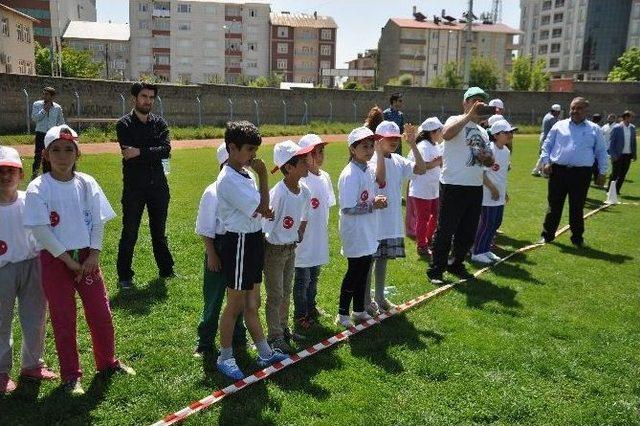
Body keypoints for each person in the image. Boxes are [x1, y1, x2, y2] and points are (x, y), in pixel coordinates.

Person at [24, 125, 134, 396]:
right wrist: (67, 261)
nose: (63, 156)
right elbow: (40, 230)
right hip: (55, 260)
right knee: (64, 318)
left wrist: (94, 255)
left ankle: (107, 362)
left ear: (77, 153)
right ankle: (71, 375)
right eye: (56, 150)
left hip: (87, 258)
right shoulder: (39, 187)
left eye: (69, 149)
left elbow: (97, 221)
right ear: (46, 155)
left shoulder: (87, 183)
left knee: (100, 312)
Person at [215, 121, 288, 380]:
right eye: (249, 150)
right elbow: (262, 208)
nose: (253, 156)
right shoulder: (228, 179)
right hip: (239, 242)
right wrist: (266, 176)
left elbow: (262, 208)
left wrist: (261, 192)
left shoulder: (245, 172)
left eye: (256, 150)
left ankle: (265, 352)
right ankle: (224, 356)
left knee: (252, 303)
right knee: (234, 305)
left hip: (253, 239)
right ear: (231, 148)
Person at [0, 146, 58, 394]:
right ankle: (1, 370)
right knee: (1, 320)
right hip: (3, 268)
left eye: (11, 170)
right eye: (1, 171)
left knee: (35, 316)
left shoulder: (29, 200)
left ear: (21, 174)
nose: (5, 176)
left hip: (33, 264)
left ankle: (32, 364)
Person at [427, 87, 495, 284]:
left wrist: (487, 158)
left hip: (474, 186)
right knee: (446, 230)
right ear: (465, 103)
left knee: (468, 230)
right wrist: (469, 116)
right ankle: (436, 270)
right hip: (453, 185)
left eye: (482, 102)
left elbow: (489, 160)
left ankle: (456, 264)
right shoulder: (454, 120)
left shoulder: (483, 131)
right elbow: (446, 134)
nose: (478, 105)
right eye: (474, 101)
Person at [116, 82, 174, 290]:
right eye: (143, 96)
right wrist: (152, 151)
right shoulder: (124, 125)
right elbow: (127, 154)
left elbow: (166, 150)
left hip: (158, 186)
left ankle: (166, 269)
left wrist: (140, 151)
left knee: (159, 231)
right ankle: (124, 276)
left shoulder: (160, 123)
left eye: (151, 97)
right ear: (134, 98)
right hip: (134, 188)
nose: (147, 101)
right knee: (129, 232)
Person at [365, 121, 426, 316]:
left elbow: (421, 169)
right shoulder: (371, 160)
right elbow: (380, 180)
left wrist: (413, 145)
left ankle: (380, 297)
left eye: (395, 138)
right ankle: (366, 300)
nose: (393, 141)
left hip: (390, 222)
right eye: (388, 138)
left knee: (383, 260)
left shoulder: (399, 160)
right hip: (374, 221)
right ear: (378, 140)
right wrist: (380, 154)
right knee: (370, 261)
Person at [193, 143, 247, 359]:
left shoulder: (245, 185)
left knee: (238, 298)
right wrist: (212, 254)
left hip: (239, 244)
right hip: (219, 246)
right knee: (213, 298)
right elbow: (205, 227)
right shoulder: (212, 191)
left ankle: (238, 335)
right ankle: (205, 341)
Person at [262, 140, 314, 353]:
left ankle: (283, 329)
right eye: (303, 161)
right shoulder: (279, 194)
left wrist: (299, 231)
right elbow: (265, 226)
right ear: (289, 168)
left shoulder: (304, 190)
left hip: (290, 249)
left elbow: (305, 214)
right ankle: (274, 336)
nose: (308, 163)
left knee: (286, 292)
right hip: (273, 250)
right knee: (275, 294)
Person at [538, 97, 608, 247]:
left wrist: (602, 172)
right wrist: (545, 162)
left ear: (586, 110)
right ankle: (547, 235)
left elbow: (601, 152)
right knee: (554, 205)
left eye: (579, 108)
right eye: (573, 108)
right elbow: (547, 145)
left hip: (581, 174)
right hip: (558, 172)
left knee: (577, 207)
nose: (575, 111)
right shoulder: (559, 125)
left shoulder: (594, 129)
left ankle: (577, 238)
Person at [336, 126, 387, 328]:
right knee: (354, 272)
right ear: (352, 149)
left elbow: (368, 198)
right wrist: (372, 205)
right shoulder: (350, 174)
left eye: (371, 146)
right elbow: (348, 207)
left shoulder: (368, 169)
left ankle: (358, 310)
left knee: (364, 270)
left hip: (367, 229)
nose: (369, 150)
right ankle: (342, 313)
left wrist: (377, 200)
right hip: (355, 231)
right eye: (364, 146)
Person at [293, 134, 335, 329]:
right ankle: (300, 315)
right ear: (303, 157)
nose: (319, 155)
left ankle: (311, 307)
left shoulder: (325, 177)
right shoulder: (302, 180)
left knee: (314, 276)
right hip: (304, 241)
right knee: (303, 279)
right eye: (314, 152)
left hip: (318, 238)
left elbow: (327, 206)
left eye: (321, 151)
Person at [471, 120, 516, 264]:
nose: (510, 135)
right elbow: (481, 174)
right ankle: (477, 252)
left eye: (511, 132)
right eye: (506, 132)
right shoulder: (489, 150)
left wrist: (504, 191)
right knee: (487, 223)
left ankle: (486, 249)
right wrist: (493, 188)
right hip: (487, 194)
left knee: (496, 223)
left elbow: (501, 175)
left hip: (499, 194)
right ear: (496, 135)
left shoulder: (506, 151)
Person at [406, 118, 444, 257]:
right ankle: (421, 245)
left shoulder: (434, 144)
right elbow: (419, 167)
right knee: (423, 218)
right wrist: (436, 163)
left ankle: (427, 239)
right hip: (421, 189)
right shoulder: (423, 146)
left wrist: (438, 163)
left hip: (433, 188)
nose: (441, 133)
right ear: (432, 132)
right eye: (440, 130)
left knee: (436, 215)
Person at [31, 87, 64, 180]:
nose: (44, 96)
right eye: (44, 93)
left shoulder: (57, 107)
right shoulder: (37, 104)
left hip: (51, 134)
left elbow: (61, 122)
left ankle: (47, 173)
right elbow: (34, 118)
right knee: (38, 154)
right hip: (40, 133)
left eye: (47, 94)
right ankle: (35, 173)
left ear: (52, 96)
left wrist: (63, 132)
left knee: (50, 154)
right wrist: (44, 110)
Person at [607, 110, 637, 195]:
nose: (632, 118)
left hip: (628, 155)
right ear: (626, 117)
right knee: (615, 174)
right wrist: (613, 155)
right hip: (618, 155)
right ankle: (610, 190)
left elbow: (633, 142)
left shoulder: (632, 128)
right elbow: (611, 143)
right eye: (631, 116)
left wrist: (634, 154)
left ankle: (617, 190)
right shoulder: (617, 128)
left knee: (623, 174)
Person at [532, 104, 561, 176]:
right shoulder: (551, 118)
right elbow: (556, 129)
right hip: (547, 139)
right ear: (556, 112)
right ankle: (543, 172)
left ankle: (536, 171)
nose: (558, 114)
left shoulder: (547, 115)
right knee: (546, 155)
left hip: (543, 137)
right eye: (558, 112)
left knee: (543, 155)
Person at [590, 114, 604, 185]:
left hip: (589, 152)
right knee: (595, 168)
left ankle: (596, 181)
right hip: (593, 153)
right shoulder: (597, 128)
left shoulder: (588, 126)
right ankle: (596, 181)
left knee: (594, 168)